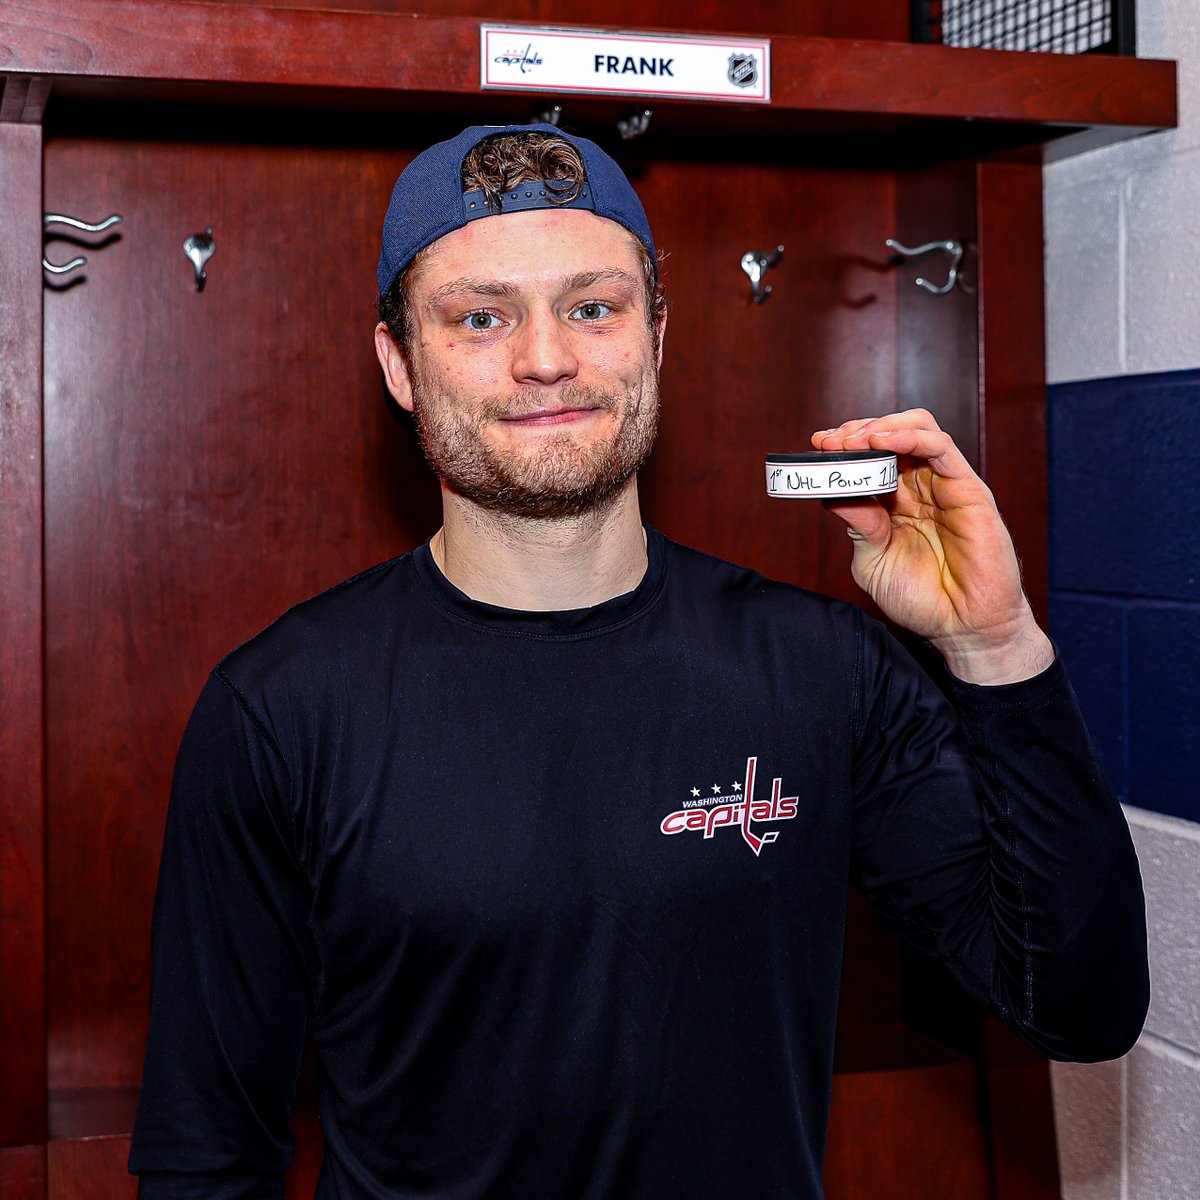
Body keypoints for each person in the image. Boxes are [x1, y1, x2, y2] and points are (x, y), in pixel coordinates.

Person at [129, 123, 1148, 1200]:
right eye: (481, 317)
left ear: (655, 335)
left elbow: (1080, 1006)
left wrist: (996, 646)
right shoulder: (280, 709)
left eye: (592, 306)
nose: (546, 358)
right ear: (400, 365)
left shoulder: (819, 668)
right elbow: (206, 1152)